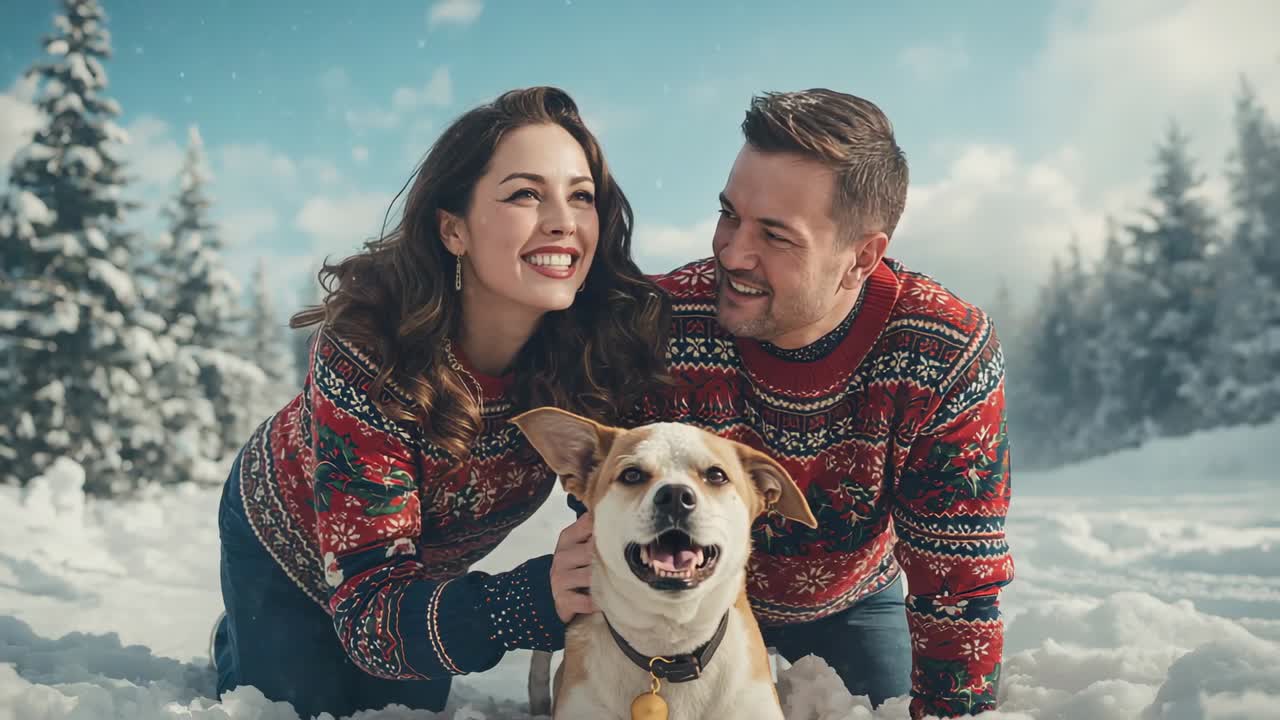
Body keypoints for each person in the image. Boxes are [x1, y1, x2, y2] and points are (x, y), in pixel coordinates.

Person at [211, 86, 670, 719]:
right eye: (525, 193)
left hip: (414, 572)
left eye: (581, 195)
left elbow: (616, 496)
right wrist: (531, 600)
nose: (563, 219)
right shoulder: (369, 353)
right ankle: (245, 639)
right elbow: (372, 622)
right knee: (308, 707)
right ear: (453, 228)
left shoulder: (595, 352)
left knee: (401, 706)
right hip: (285, 543)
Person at [629, 89, 1014, 718]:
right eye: (730, 214)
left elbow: (959, 581)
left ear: (862, 256)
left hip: (850, 600)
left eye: (775, 236)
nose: (732, 252)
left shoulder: (943, 350)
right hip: (678, 597)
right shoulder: (657, 324)